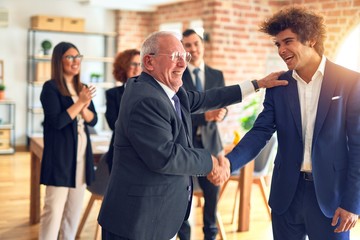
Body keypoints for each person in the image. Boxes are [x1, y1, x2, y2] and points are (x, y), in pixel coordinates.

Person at [97, 31, 287, 240]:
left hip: (152, 216)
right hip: (136, 221)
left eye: (184, 57)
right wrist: (211, 162)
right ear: (149, 62)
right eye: (174, 57)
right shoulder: (146, 99)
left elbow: (207, 97)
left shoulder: (165, 89)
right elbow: (166, 156)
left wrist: (257, 84)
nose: (182, 64)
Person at [218, 6, 360, 240]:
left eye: (288, 42)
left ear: (311, 39)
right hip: (286, 196)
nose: (281, 50)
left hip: (331, 198)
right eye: (278, 44)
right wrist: (229, 163)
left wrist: (353, 202)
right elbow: (260, 132)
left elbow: (358, 147)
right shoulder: (278, 85)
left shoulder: (350, 82)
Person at [38, 42, 98, 240]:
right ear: (58, 60)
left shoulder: (82, 87)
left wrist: (83, 106)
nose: (75, 61)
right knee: (53, 210)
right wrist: (80, 102)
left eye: (77, 56)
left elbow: (93, 119)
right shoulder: (51, 88)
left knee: (73, 211)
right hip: (60, 158)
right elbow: (57, 122)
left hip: (82, 157)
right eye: (70, 57)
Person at [178, 29, 227, 240]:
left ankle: (211, 234)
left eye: (195, 44)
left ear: (203, 45)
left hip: (211, 145)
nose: (193, 49)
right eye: (187, 45)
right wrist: (204, 116)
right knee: (182, 194)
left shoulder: (217, 75)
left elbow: (223, 108)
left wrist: (221, 114)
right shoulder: (177, 74)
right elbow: (177, 113)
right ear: (183, 49)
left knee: (212, 194)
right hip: (185, 144)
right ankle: (184, 235)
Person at [105, 49, 141, 172]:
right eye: (133, 64)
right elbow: (112, 123)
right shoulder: (112, 94)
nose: (137, 68)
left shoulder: (153, 94)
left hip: (144, 155)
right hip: (119, 153)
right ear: (124, 66)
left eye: (140, 64)